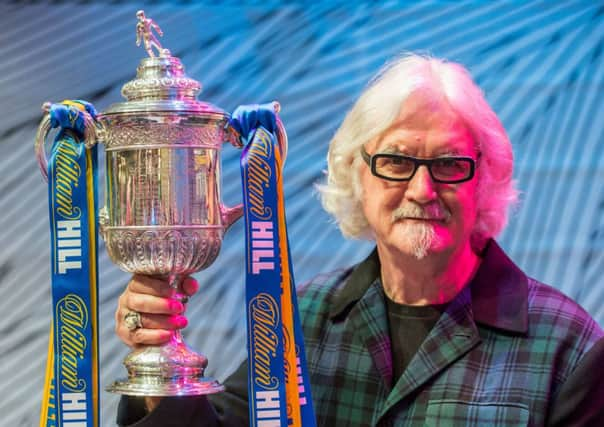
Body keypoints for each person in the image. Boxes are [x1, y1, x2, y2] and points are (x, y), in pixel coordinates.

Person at [115, 53, 604, 426]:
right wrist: (158, 366)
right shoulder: (300, 319)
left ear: (485, 178)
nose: (422, 190)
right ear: (356, 174)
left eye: (450, 164)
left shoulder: (570, 349)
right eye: (396, 161)